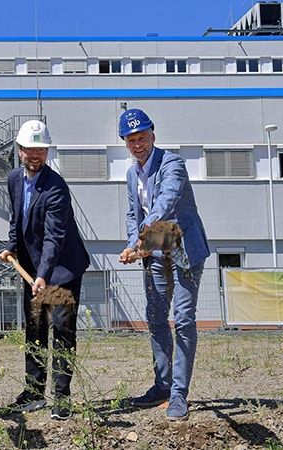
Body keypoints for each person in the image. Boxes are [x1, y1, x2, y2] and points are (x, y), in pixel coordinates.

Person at [117, 108, 210, 421]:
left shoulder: (172, 162)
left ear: (152, 135)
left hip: (181, 241)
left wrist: (147, 231)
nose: (137, 144)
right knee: (156, 315)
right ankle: (162, 385)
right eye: (131, 140)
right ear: (125, 143)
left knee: (183, 318)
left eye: (141, 137)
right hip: (156, 244)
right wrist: (135, 244)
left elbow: (167, 198)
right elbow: (133, 213)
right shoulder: (132, 174)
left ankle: (179, 394)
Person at [0, 120, 90, 420]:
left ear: (47, 151)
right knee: (35, 330)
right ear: (19, 150)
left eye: (41, 149)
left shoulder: (56, 187)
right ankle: (34, 392)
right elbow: (16, 219)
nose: (35, 155)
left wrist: (43, 276)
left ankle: (62, 397)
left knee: (62, 330)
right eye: (29, 150)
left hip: (61, 271)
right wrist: (12, 246)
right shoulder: (14, 178)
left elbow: (54, 238)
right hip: (32, 269)